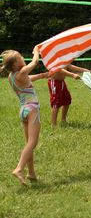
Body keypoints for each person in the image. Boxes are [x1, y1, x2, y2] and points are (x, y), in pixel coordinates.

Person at [0, 46, 48, 185]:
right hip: (32, 109)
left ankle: (31, 173)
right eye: (21, 57)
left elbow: (28, 79)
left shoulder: (12, 76)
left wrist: (42, 75)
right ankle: (19, 168)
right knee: (33, 142)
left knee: (29, 144)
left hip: (23, 111)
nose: (23, 58)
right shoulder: (22, 72)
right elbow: (35, 63)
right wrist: (36, 52)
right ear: (16, 63)